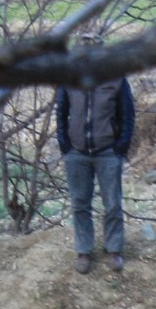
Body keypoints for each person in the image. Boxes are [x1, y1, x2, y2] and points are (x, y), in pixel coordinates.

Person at [53, 32, 136, 274]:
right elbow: (61, 113)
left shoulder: (116, 79)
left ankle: (114, 249)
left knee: (112, 204)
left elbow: (128, 115)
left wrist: (121, 147)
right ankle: (83, 250)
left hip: (107, 151)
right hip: (76, 152)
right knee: (80, 203)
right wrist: (65, 145)